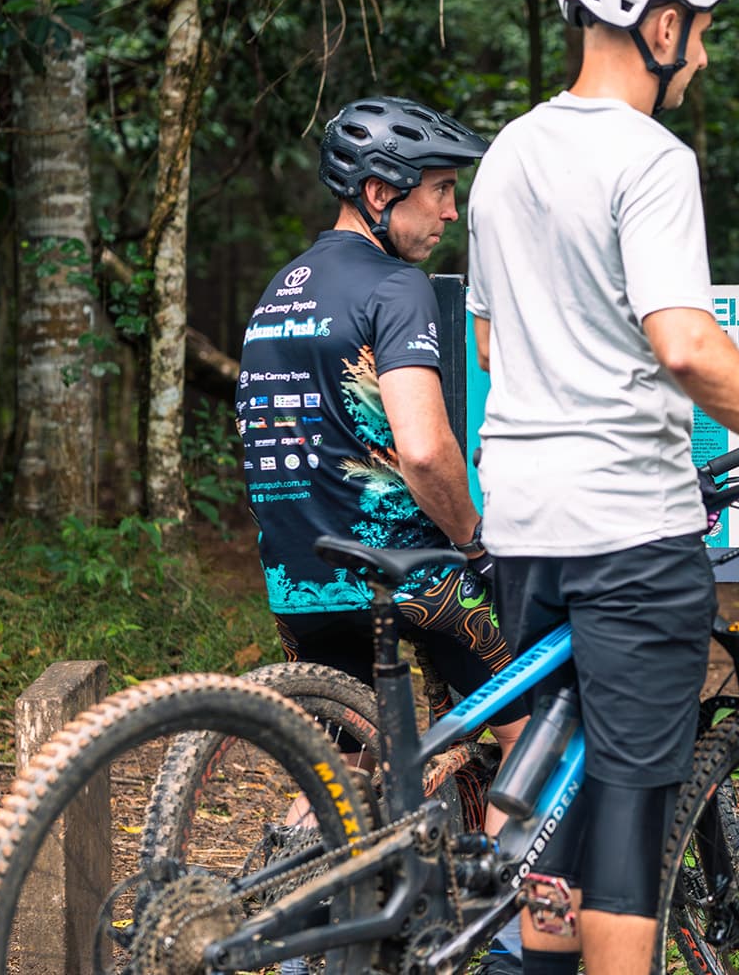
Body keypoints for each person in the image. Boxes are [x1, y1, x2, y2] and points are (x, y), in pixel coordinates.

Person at [464, 0, 739, 975]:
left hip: (522, 515)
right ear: (658, 24)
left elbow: (490, 341)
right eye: (700, 31)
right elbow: (687, 347)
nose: (704, 53)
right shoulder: (650, 158)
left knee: (550, 796)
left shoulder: (508, 153)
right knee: (628, 830)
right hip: (624, 529)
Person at [236, 94, 533, 973]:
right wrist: (476, 542)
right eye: (439, 191)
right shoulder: (395, 288)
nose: (450, 211)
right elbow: (426, 448)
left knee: (344, 768)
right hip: (409, 577)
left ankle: (286, 929)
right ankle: (512, 946)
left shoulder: (277, 292)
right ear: (378, 191)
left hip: (300, 579)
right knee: (532, 725)